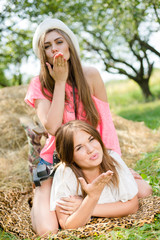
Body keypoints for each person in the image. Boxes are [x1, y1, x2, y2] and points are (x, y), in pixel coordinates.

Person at [24, 18, 152, 236]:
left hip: (87, 156)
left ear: (70, 45)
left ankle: (86, 204)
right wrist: (60, 81)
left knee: (143, 191)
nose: (54, 48)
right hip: (56, 160)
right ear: (42, 54)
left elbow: (106, 125)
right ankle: (41, 191)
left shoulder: (91, 75)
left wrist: (115, 162)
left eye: (59, 42)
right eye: (47, 46)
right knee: (47, 229)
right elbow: (54, 127)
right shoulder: (38, 83)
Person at [50, 120, 139, 229]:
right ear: (69, 156)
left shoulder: (113, 159)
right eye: (79, 147)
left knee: (145, 190)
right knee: (46, 228)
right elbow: (67, 225)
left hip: (118, 178)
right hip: (53, 180)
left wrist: (84, 205)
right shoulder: (65, 174)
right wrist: (92, 197)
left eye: (91, 140)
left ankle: (133, 177)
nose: (91, 149)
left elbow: (133, 206)